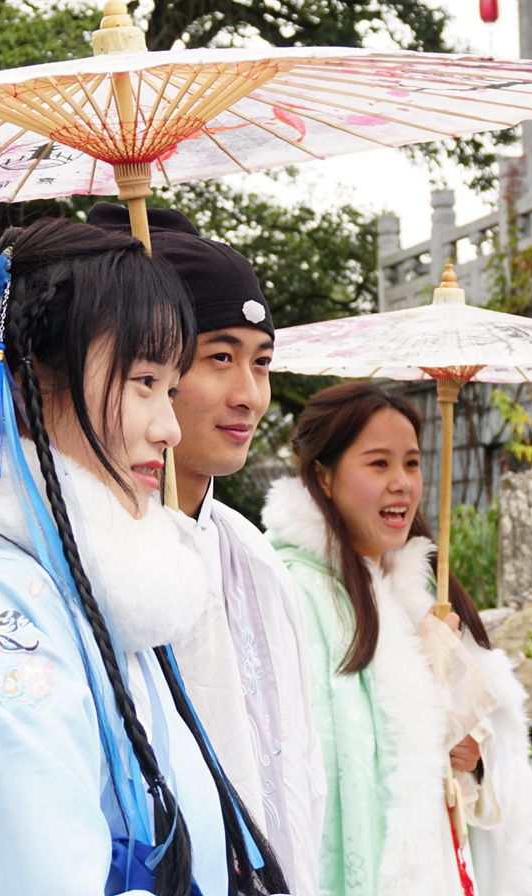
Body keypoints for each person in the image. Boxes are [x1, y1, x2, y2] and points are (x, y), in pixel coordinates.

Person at [0, 218, 286, 896]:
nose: (170, 427)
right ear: (33, 376)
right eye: (144, 381)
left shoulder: (92, 596)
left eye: (172, 387)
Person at [89, 202, 327, 895]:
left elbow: (299, 769)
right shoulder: (96, 560)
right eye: (220, 357)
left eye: (262, 363)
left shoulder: (251, 553)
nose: (249, 394)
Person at [264, 381, 532, 896]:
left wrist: (472, 752)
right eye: (378, 464)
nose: (402, 484)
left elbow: (477, 742)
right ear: (323, 477)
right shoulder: (293, 591)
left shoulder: (424, 587)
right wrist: (416, 677)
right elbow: (312, 756)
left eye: (411, 463)